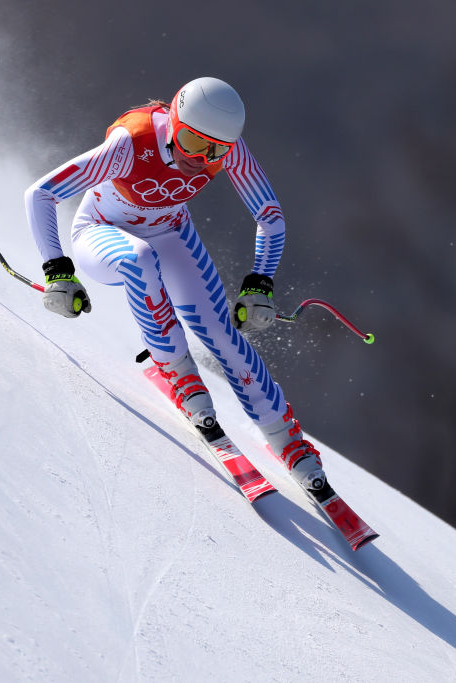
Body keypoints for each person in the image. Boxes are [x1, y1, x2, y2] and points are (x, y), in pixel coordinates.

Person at [23, 76, 326, 492]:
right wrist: (57, 270)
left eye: (216, 151)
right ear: (174, 123)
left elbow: (270, 215)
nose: (201, 159)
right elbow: (40, 193)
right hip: (100, 230)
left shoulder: (228, 148)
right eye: (192, 142)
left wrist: (259, 283)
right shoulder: (131, 143)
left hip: (171, 231)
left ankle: (288, 439)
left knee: (221, 334)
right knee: (139, 259)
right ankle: (178, 372)